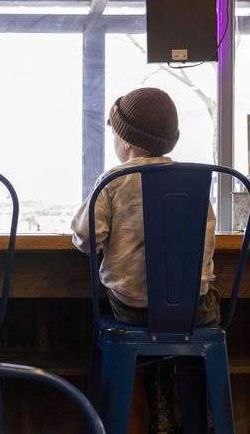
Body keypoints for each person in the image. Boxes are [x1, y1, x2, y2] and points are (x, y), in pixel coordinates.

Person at [70, 87, 220, 434]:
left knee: (147, 318)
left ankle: (155, 417)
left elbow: (84, 236)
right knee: (203, 303)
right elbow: (206, 245)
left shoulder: (114, 181)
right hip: (189, 311)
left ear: (125, 142)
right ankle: (200, 419)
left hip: (131, 309)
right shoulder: (194, 183)